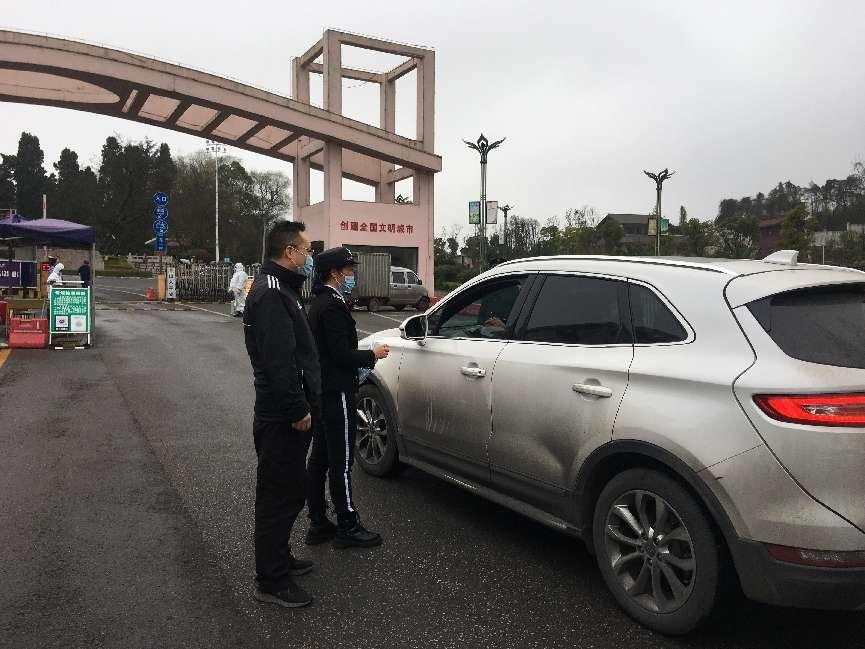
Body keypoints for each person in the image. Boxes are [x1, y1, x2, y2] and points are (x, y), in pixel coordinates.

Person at [243, 221, 321, 609]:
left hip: (286, 411)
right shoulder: (272, 293)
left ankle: (280, 556)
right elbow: (279, 361)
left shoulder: (282, 289)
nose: (310, 257)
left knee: (290, 489)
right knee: (277, 495)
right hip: (282, 416)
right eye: (306, 251)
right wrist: (297, 408)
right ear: (289, 252)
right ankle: (271, 580)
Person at [305, 246, 390, 549]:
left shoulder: (321, 302)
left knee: (320, 459)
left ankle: (318, 521)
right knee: (340, 461)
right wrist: (372, 354)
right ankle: (347, 525)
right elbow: (340, 353)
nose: (352, 274)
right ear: (335, 273)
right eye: (349, 270)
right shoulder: (331, 306)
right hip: (337, 391)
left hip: (323, 391)